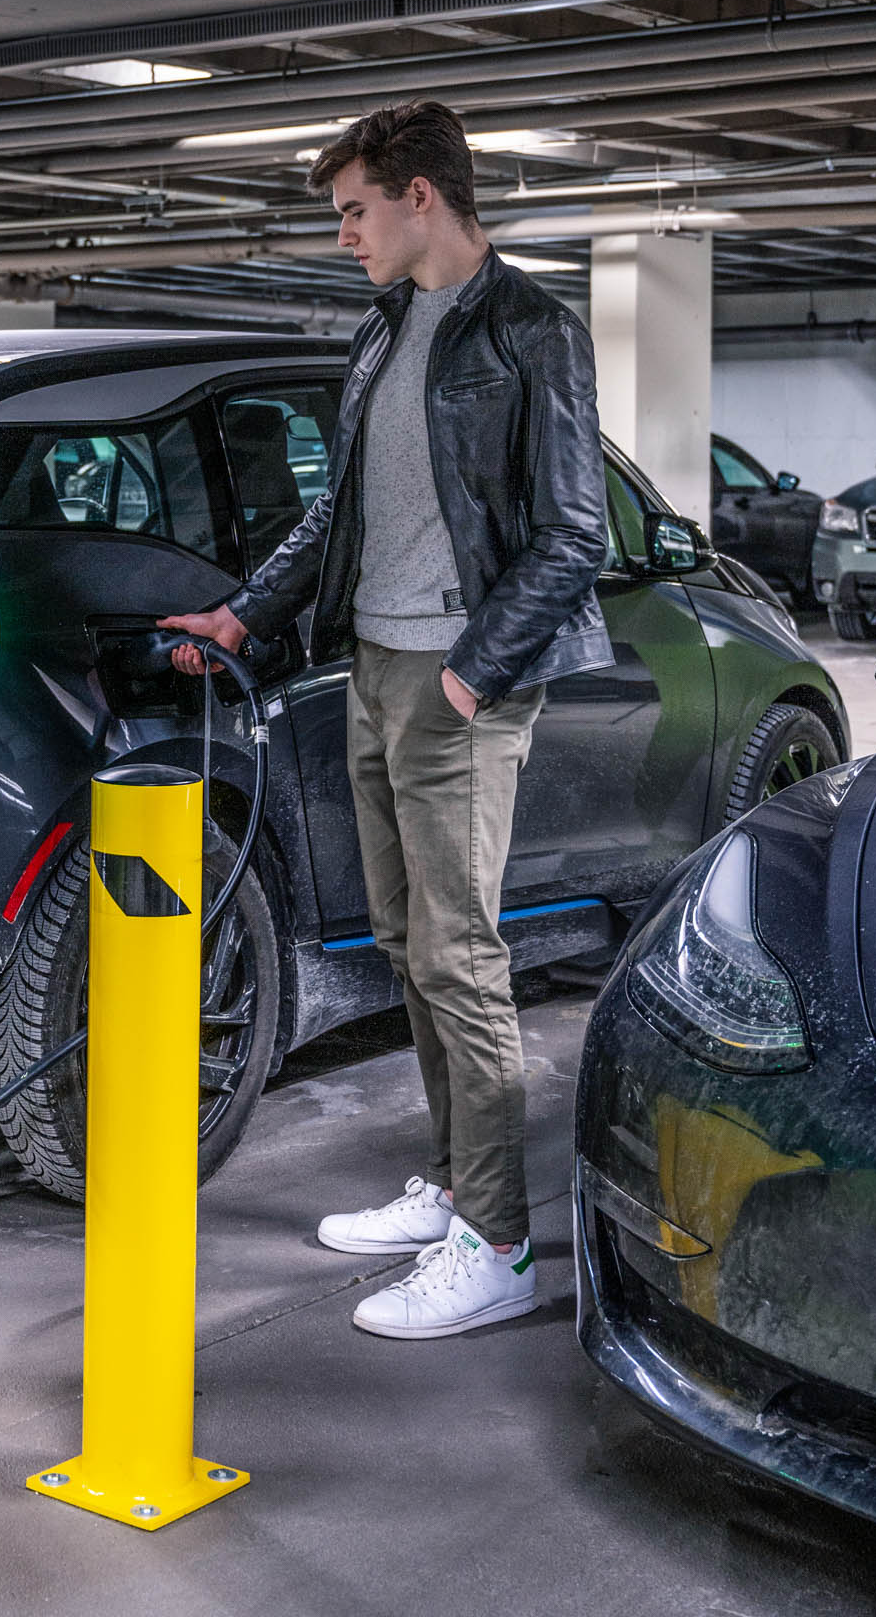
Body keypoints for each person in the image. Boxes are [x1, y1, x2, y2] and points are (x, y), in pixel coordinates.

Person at [161, 100, 611, 1339]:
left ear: (422, 196)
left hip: (456, 683)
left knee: (462, 959)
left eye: (356, 209)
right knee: (409, 946)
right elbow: (338, 516)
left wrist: (471, 671)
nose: (344, 234)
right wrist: (247, 614)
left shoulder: (532, 330)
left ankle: (502, 1242)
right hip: (372, 669)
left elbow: (578, 532)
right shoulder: (384, 330)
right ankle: (460, 1188)